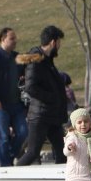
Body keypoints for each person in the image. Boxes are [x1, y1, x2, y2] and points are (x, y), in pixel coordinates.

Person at [15, 25, 68, 166]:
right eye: (59, 43)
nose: (59, 46)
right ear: (53, 42)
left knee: (63, 151)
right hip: (40, 116)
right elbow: (31, 87)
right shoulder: (36, 61)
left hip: (51, 115)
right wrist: (52, 98)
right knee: (32, 152)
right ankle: (13, 176)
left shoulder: (46, 61)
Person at [0, 27, 28, 167]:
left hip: (16, 105)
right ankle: (5, 167)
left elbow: (27, 71)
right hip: (0, 106)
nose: (15, 41)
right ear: (3, 40)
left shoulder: (17, 57)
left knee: (23, 132)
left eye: (15, 38)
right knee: (3, 137)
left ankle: (8, 156)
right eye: (12, 38)